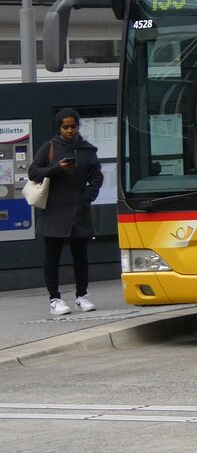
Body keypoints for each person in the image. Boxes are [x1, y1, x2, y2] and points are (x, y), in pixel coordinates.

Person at [28, 108, 103, 316]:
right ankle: (55, 299)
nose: (70, 130)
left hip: (79, 211)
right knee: (52, 256)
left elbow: (97, 177)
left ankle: (82, 296)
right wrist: (57, 168)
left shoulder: (88, 150)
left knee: (81, 256)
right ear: (59, 128)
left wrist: (87, 197)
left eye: (73, 126)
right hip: (54, 210)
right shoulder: (49, 147)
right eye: (65, 127)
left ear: (78, 127)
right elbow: (33, 172)